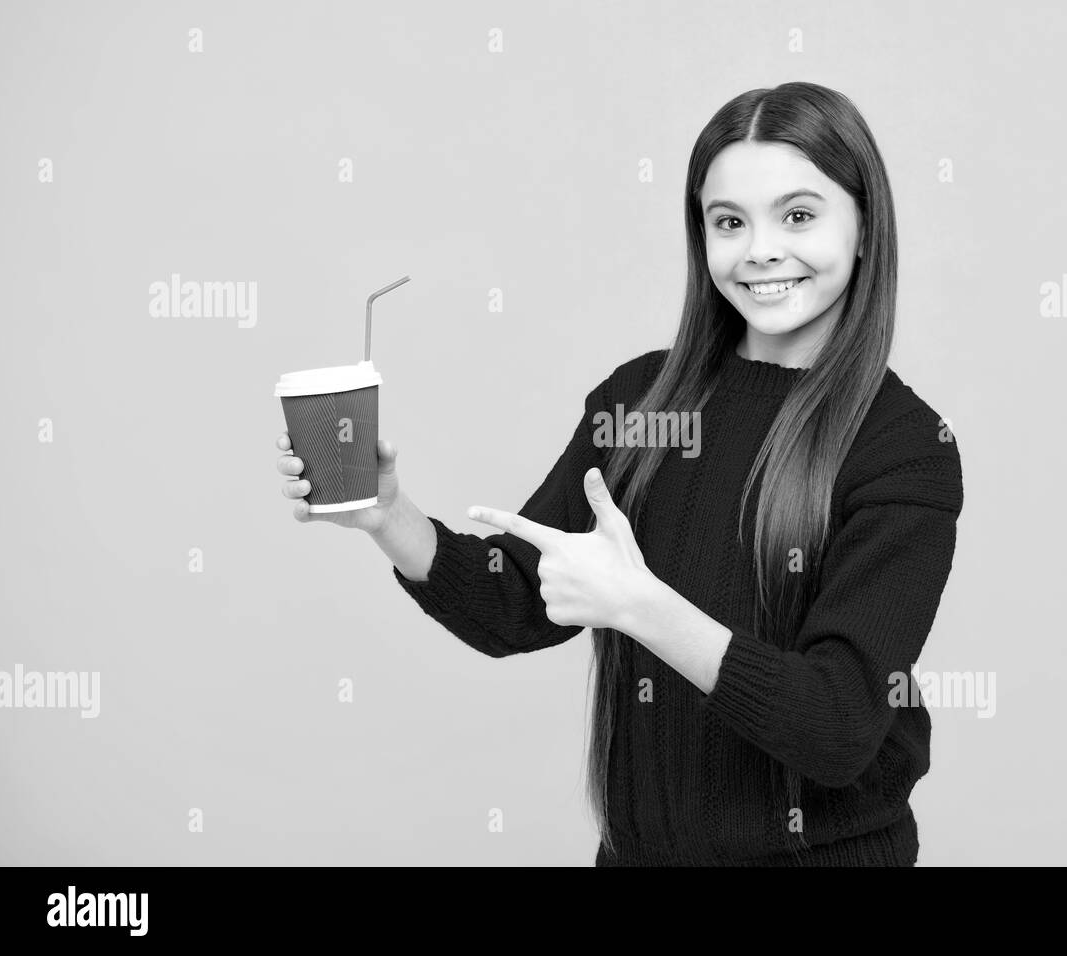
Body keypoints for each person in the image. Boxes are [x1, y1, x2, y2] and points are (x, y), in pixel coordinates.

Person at [275, 81, 963, 866]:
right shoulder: (639, 402)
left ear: (866, 225)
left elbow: (837, 727)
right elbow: (512, 604)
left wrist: (641, 607)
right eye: (729, 222)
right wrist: (386, 514)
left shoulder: (905, 447)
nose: (762, 249)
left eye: (799, 215)